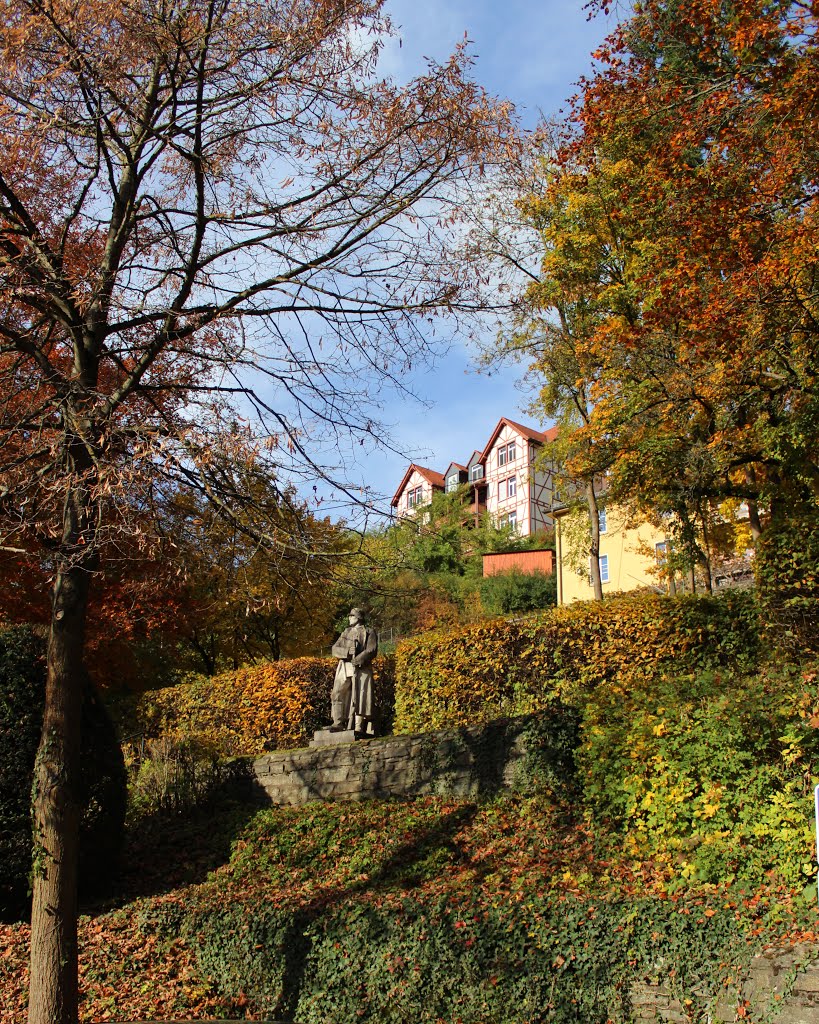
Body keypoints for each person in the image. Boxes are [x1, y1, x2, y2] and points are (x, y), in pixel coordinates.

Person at [330, 607, 378, 735]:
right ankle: (338, 722)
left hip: (361, 668)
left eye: (351, 616)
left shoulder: (369, 632)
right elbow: (335, 649)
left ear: (358, 618)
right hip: (345, 668)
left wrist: (357, 659)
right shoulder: (346, 632)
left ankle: (358, 726)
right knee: (337, 693)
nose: (349, 618)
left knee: (360, 697)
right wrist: (346, 652)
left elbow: (371, 650)